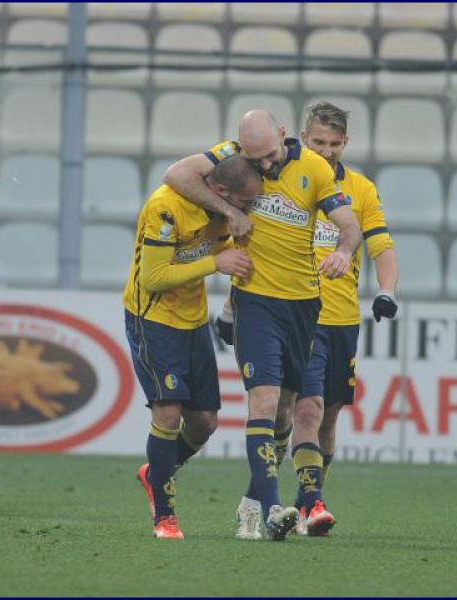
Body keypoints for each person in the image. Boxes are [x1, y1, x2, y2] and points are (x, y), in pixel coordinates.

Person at [165, 110, 362, 541]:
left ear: (284, 135)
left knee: (286, 410)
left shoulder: (314, 168)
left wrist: (344, 252)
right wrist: (228, 211)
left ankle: (251, 505)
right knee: (264, 400)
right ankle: (274, 508)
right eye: (257, 159)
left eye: (271, 155)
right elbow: (176, 175)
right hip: (255, 302)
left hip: (304, 305)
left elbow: (350, 226)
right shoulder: (234, 156)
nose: (266, 165)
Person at [267, 102, 397, 535]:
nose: (325, 151)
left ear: (346, 143)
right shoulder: (285, 181)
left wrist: (386, 292)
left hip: (343, 320)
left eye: (334, 144)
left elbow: (381, 246)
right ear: (304, 138)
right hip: (300, 312)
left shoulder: (361, 189)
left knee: (328, 417)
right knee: (308, 406)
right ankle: (312, 502)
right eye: (318, 142)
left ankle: (303, 500)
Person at [126, 155, 260, 539]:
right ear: (219, 191)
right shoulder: (165, 206)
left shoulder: (224, 213)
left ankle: (156, 473)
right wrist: (216, 263)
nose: (246, 210)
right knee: (168, 414)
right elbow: (153, 277)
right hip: (152, 318)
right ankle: (165, 516)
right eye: (244, 203)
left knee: (204, 423)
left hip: (193, 320)